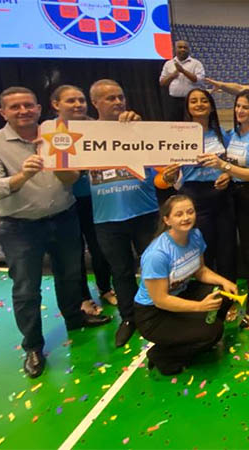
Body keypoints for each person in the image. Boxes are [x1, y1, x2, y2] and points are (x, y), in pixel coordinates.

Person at [0, 87, 111, 378]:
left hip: (64, 217)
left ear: (38, 108)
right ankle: (33, 346)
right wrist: (22, 176)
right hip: (20, 227)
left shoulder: (56, 134)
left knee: (70, 275)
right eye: (15, 107)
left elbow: (72, 176)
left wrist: (64, 167)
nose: (23, 111)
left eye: (28, 105)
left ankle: (75, 318)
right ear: (3, 113)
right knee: (26, 288)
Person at [88, 79, 161, 348]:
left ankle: (159, 310)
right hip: (107, 217)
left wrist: (139, 128)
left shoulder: (139, 126)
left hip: (145, 212)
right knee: (121, 271)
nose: (118, 102)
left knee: (155, 265)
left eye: (120, 97)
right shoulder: (84, 134)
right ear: (95, 102)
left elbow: (160, 161)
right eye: (110, 98)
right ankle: (129, 318)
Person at [198, 90, 249, 328]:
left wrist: (224, 166)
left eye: (245, 107)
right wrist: (227, 175)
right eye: (237, 106)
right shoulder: (234, 134)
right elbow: (234, 168)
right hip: (237, 196)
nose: (239, 111)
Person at [134, 194, 239, 375]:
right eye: (179, 214)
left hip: (180, 294)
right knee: (213, 332)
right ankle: (162, 355)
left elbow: (200, 271)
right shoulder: (157, 255)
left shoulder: (195, 235)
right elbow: (161, 300)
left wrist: (225, 281)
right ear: (167, 220)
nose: (186, 218)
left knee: (223, 293)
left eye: (190, 212)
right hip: (153, 314)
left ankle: (191, 336)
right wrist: (200, 307)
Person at [48, 85, 116, 317]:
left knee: (100, 248)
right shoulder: (49, 132)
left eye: (81, 100)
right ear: (56, 104)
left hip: (97, 198)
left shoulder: (96, 127)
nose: (78, 105)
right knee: (73, 252)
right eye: (71, 101)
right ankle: (83, 298)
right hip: (66, 202)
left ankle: (105, 288)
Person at [163, 89, 237, 283]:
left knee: (227, 249)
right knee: (204, 250)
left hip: (222, 196)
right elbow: (172, 176)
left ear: (211, 106)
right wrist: (169, 175)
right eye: (194, 101)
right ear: (187, 107)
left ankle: (228, 295)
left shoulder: (223, 135)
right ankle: (206, 295)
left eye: (204, 100)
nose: (199, 104)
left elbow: (232, 164)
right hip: (194, 197)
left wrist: (227, 174)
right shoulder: (178, 137)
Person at [159, 40, 206, 121]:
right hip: (173, 101)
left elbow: (198, 80)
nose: (183, 49)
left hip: (191, 101)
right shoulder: (169, 64)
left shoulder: (196, 63)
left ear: (189, 49)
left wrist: (183, 71)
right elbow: (162, 82)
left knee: (191, 122)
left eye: (185, 47)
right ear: (175, 49)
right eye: (180, 47)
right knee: (174, 123)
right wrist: (172, 75)